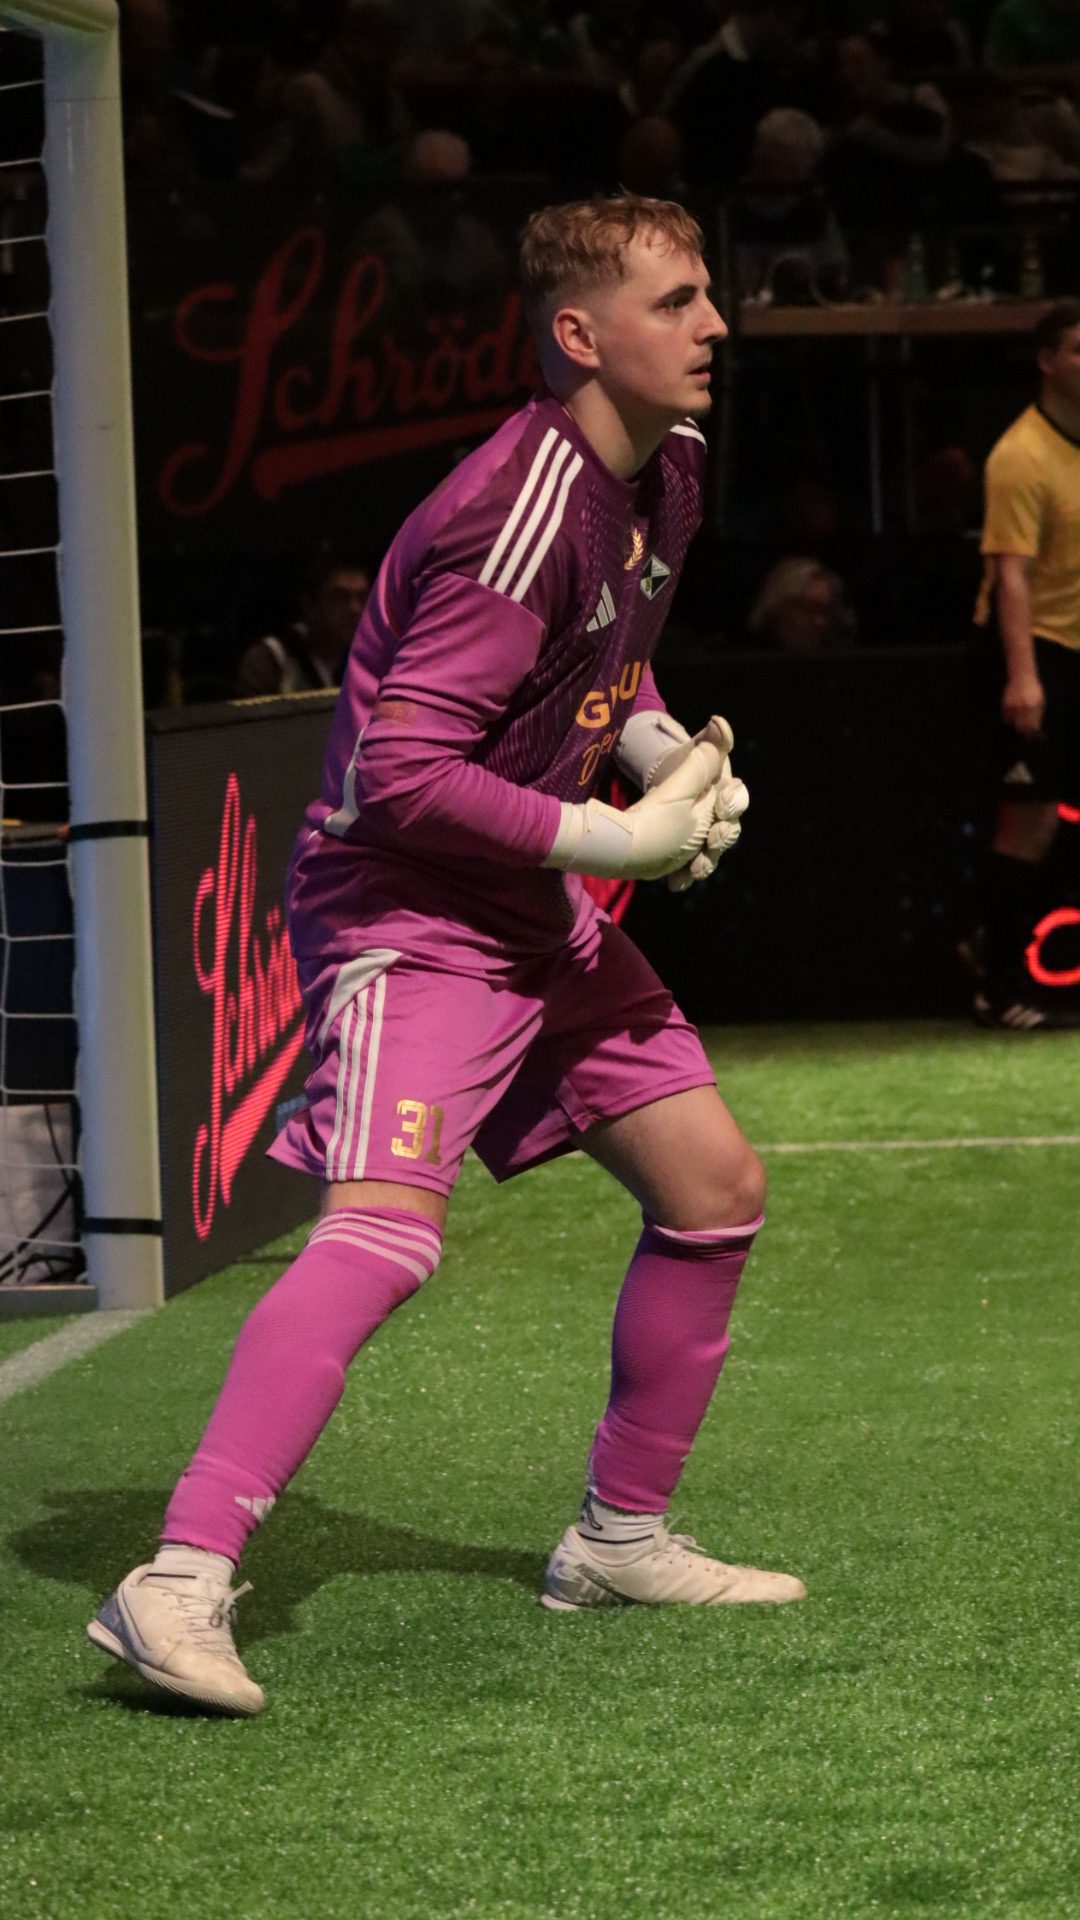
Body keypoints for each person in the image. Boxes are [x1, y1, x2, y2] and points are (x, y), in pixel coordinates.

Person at [87, 192, 805, 1718]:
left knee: (711, 1188)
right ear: (578, 335)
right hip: (409, 913)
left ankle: (618, 1542)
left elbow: (605, 663)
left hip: (525, 906)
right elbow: (400, 775)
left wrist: (661, 758)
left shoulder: (667, 466)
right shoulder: (516, 506)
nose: (714, 325)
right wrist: (613, 838)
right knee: (385, 1237)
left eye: (706, 296)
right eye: (677, 302)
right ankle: (178, 1579)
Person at [969, 299, 1080, 1029]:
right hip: (1035, 650)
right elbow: (1010, 575)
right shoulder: (1021, 455)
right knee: (1028, 824)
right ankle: (999, 984)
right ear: (1047, 361)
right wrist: (1024, 677)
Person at [235, 552, 371, 697]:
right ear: (310, 605)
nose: (355, 609)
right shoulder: (271, 660)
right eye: (340, 597)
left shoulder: (370, 659)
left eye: (362, 598)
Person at [747, 554, 857, 652]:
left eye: (825, 611)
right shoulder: (747, 658)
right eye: (810, 609)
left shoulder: (837, 661)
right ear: (779, 607)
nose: (820, 622)